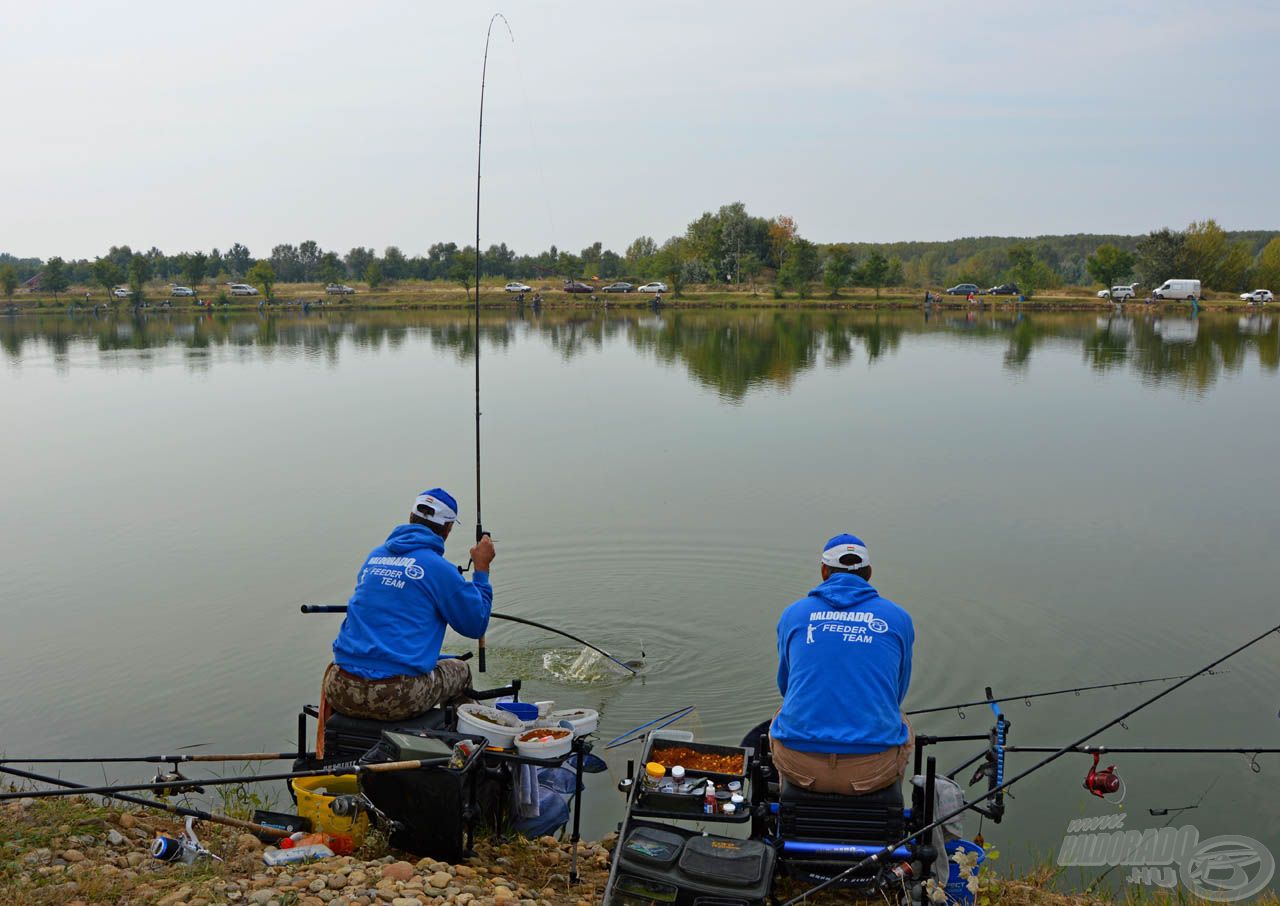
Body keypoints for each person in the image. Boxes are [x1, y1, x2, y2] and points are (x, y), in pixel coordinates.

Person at [322, 488, 495, 721]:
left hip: (340, 687)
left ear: (411, 517)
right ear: (448, 528)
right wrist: (481, 570)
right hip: (397, 695)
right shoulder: (439, 569)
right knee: (460, 671)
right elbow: (475, 625)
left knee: (434, 660)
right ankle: (464, 745)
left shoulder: (375, 557)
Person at [768, 534, 914, 795]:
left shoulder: (794, 614)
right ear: (868, 573)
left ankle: (785, 805)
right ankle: (889, 821)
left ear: (824, 571)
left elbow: (786, 686)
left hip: (801, 766)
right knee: (901, 720)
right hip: (871, 771)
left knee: (781, 714)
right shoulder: (898, 618)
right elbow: (897, 693)